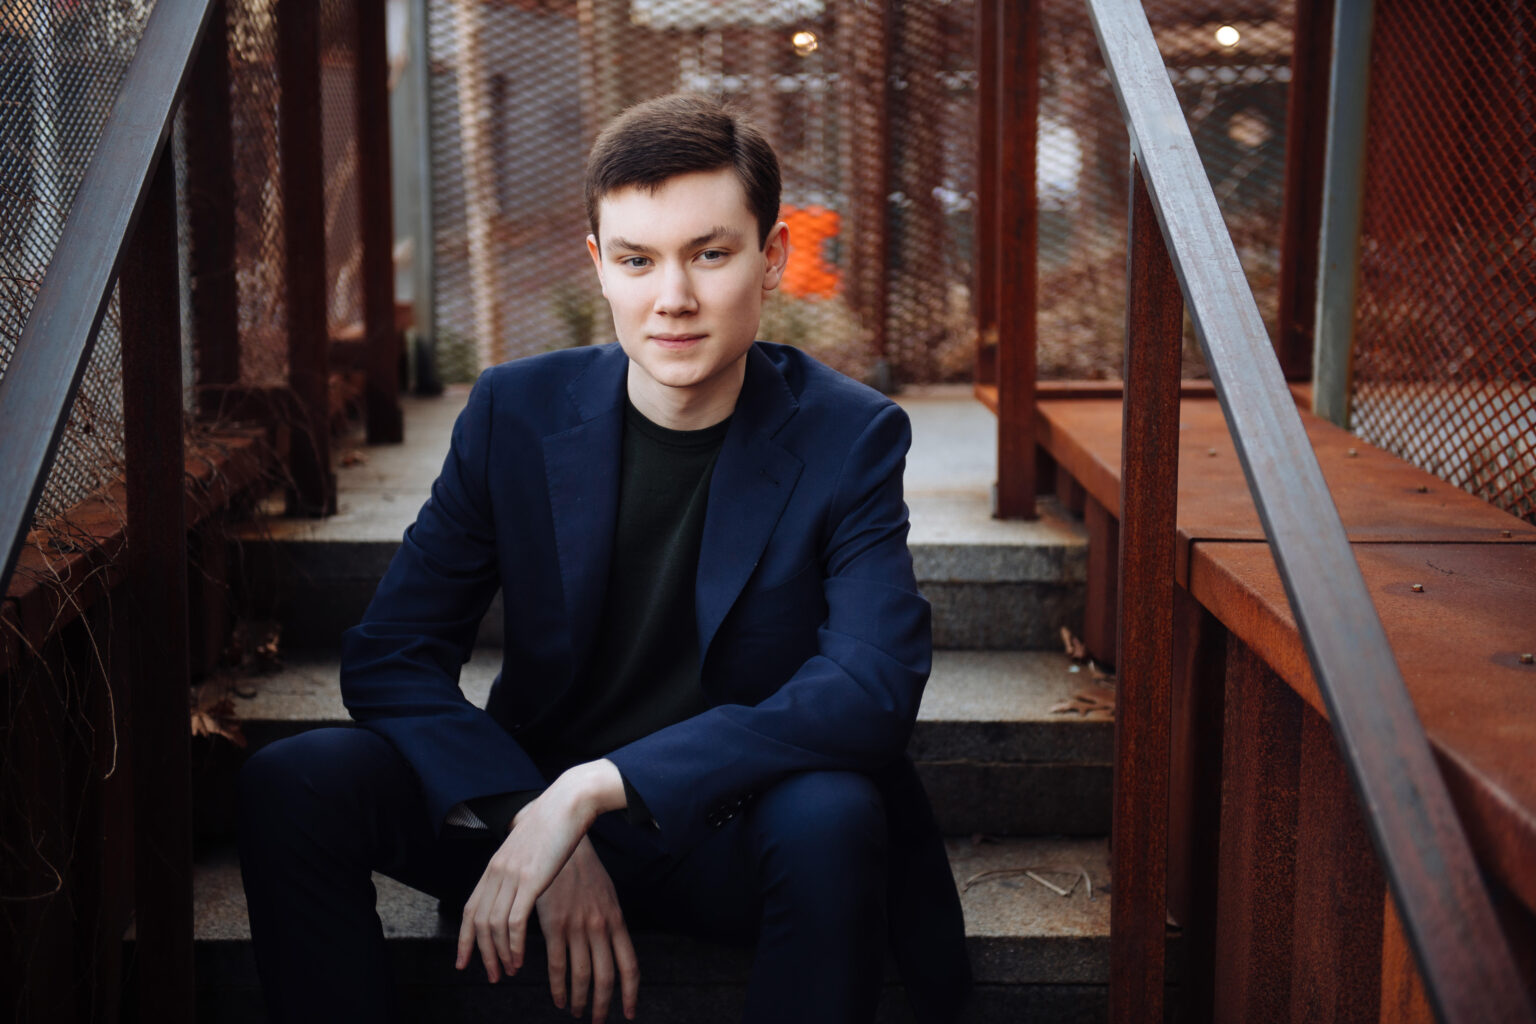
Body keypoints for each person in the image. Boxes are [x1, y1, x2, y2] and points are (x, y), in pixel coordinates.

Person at [237, 93, 970, 1024]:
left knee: (834, 815)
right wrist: (532, 813)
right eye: (637, 260)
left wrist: (595, 790)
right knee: (292, 781)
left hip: (730, 830)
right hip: (531, 817)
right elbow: (391, 656)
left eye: (710, 253)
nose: (673, 298)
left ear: (772, 256)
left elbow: (870, 687)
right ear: (598, 267)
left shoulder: (850, 435)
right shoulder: (515, 413)